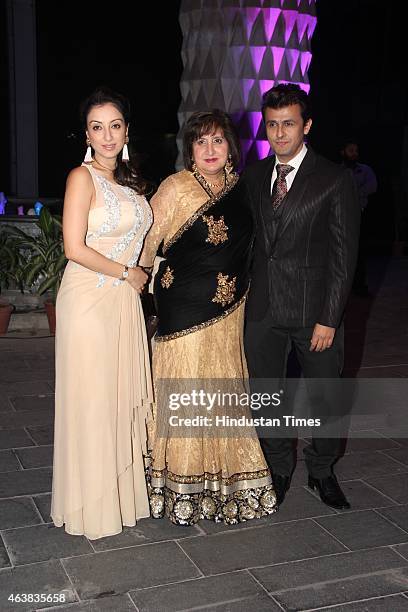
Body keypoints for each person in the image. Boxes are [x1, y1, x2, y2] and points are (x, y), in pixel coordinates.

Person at [139, 109, 277, 526]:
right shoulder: (176, 187)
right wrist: (136, 286)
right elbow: (145, 245)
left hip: (230, 308)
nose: (210, 149)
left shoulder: (245, 188)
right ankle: (175, 482)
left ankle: (228, 482)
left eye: (218, 140)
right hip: (183, 307)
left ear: (231, 147)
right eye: (201, 141)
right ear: (190, 149)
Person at [243, 84, 360, 510]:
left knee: (326, 395)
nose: (279, 133)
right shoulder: (254, 175)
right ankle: (277, 467)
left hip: (315, 313)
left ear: (306, 125)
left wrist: (330, 318)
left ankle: (322, 470)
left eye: (288, 124)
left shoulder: (333, 179)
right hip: (263, 312)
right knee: (267, 396)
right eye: (272, 125)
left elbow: (344, 257)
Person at [51, 87, 154, 539]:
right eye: (98, 127)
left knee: (115, 400)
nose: (107, 135)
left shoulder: (129, 183)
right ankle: (90, 506)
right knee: (94, 402)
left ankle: (118, 496)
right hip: (90, 301)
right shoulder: (82, 177)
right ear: (87, 134)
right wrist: (127, 271)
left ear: (127, 130)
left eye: (115, 125)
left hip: (122, 302)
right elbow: (74, 247)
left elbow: (143, 236)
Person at [341, 139, 378, 297]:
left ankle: (360, 286)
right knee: (342, 253)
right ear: (343, 152)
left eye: (356, 150)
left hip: (360, 215)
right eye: (351, 150)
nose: (354, 153)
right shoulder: (337, 170)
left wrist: (353, 194)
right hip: (341, 217)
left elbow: (372, 186)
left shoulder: (365, 170)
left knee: (360, 253)